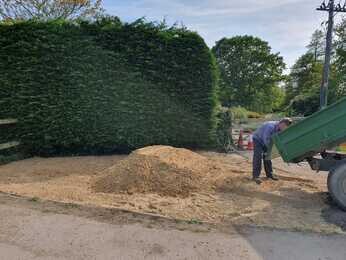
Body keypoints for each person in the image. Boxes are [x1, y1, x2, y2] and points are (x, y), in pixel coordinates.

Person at [252, 118, 292, 184]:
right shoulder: (270, 126)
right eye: (285, 127)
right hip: (258, 139)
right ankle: (256, 176)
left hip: (267, 140)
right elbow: (266, 139)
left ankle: (269, 174)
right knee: (258, 156)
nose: (285, 129)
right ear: (281, 123)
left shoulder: (280, 128)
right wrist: (271, 149)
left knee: (268, 157)